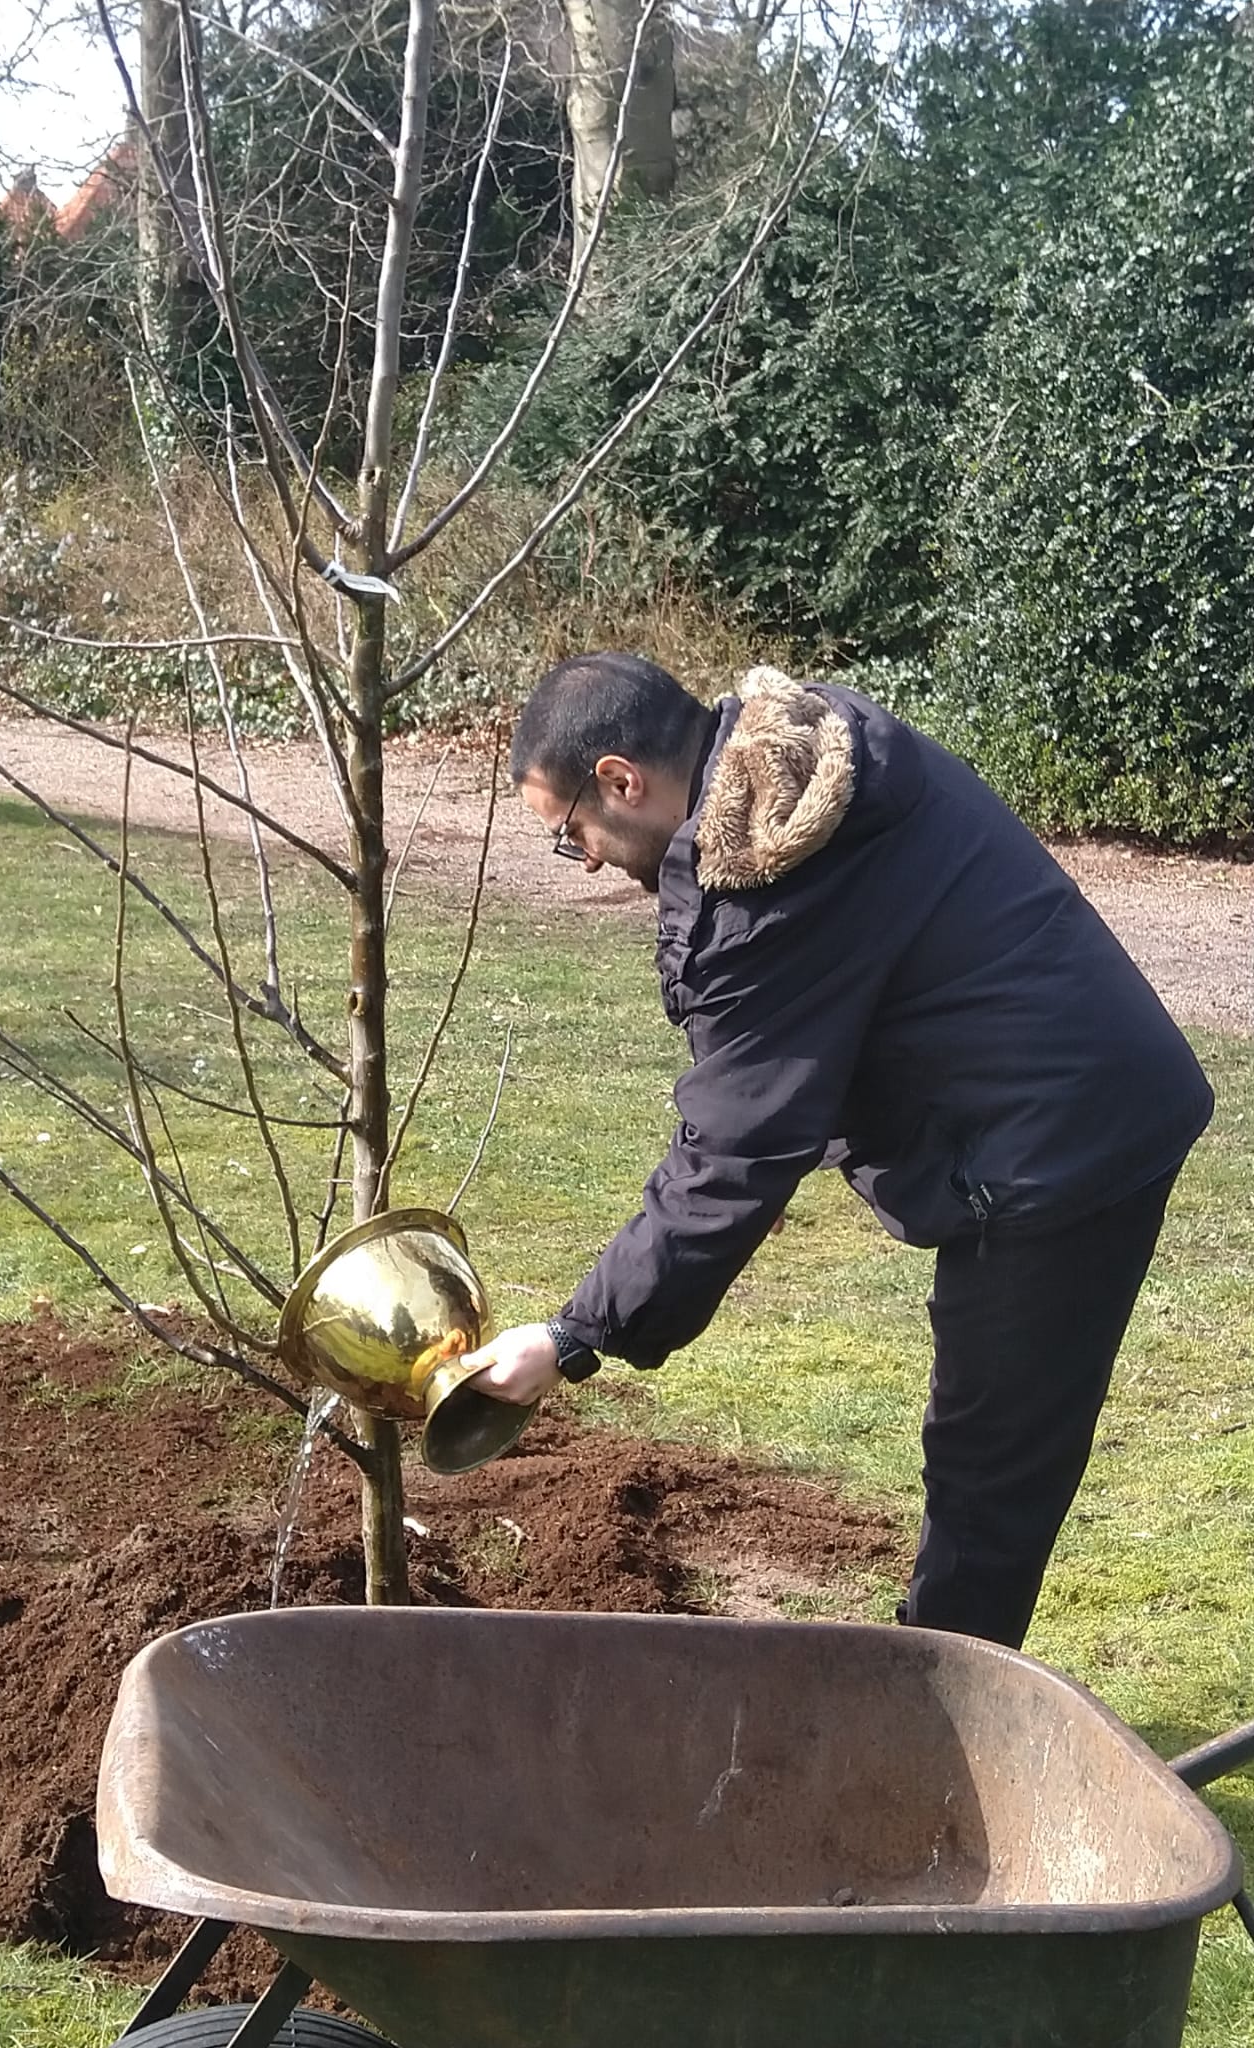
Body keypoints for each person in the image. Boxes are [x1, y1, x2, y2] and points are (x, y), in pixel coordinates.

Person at [462, 652, 1213, 1650]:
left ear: (620, 780)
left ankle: (940, 1728)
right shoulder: (806, 759)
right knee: (990, 1455)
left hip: (1058, 1149)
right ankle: (945, 1690)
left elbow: (732, 1152)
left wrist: (569, 1336)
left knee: (989, 1465)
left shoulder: (770, 879)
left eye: (571, 834)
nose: (587, 856)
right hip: (1078, 1100)